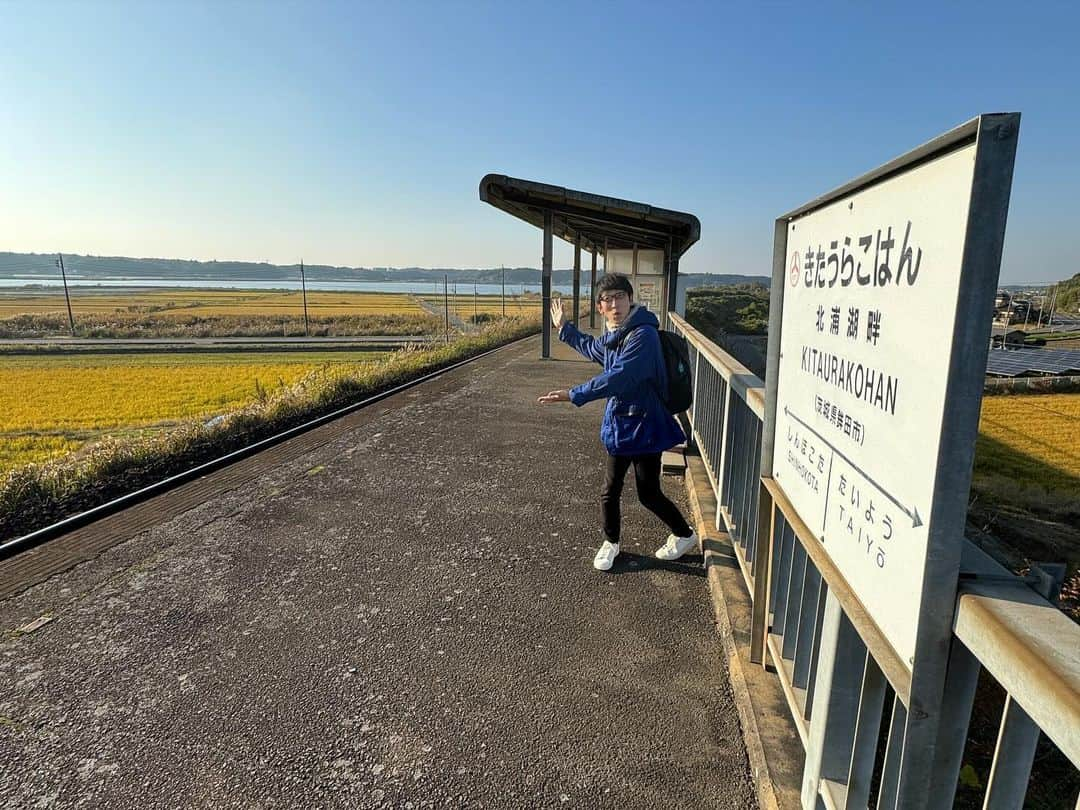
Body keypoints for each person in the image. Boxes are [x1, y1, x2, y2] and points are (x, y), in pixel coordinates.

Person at [537, 273, 698, 571]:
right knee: (610, 490)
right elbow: (592, 348)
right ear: (599, 307)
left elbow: (621, 376)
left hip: (645, 426)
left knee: (648, 493)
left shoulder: (643, 335)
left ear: (630, 299)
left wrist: (574, 394)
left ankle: (684, 534)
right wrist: (565, 328)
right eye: (607, 299)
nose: (615, 304)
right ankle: (611, 543)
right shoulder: (615, 335)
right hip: (621, 426)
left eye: (620, 297)